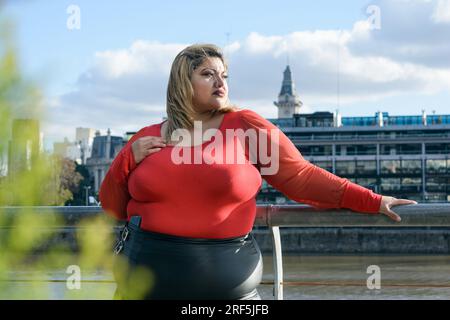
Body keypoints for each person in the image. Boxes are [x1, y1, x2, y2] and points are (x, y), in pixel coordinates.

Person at [99, 43, 418, 300]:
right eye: (208, 74)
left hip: (228, 290)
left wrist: (371, 200)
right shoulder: (146, 137)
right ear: (183, 82)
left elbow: (302, 178)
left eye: (224, 75)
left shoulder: (245, 125)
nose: (221, 82)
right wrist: (125, 157)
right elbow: (112, 206)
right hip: (141, 287)